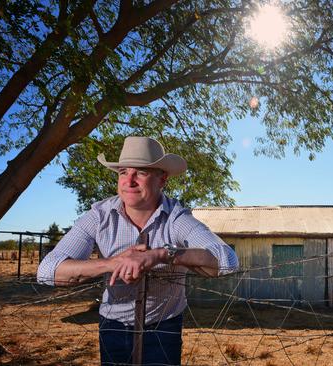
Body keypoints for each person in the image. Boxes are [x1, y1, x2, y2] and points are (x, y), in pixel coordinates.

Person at [37, 136, 239, 365]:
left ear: (162, 179)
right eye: (123, 172)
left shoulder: (176, 216)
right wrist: (113, 263)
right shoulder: (99, 216)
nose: (129, 181)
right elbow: (47, 270)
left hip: (164, 329)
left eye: (141, 172)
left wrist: (162, 254)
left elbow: (228, 259)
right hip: (112, 327)